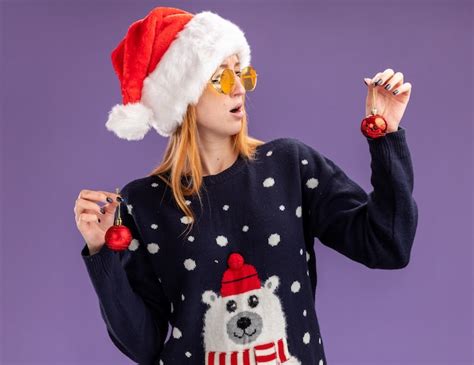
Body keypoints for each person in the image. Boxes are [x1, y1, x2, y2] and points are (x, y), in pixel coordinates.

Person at [74, 6, 418, 365]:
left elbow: (387, 244)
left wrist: (386, 134)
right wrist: (101, 252)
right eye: (221, 78)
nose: (238, 89)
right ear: (183, 95)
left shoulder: (289, 166)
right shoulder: (143, 203)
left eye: (242, 74)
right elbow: (143, 344)